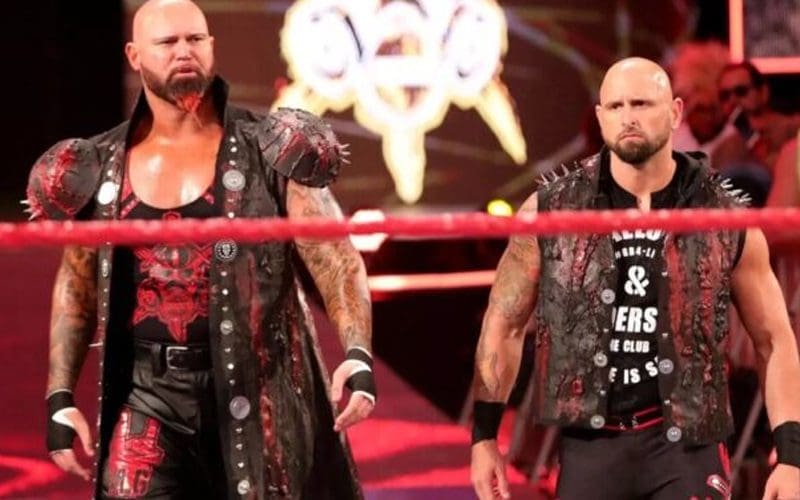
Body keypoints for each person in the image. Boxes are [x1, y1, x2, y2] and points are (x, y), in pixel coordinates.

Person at [25, 0, 376, 498]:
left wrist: (358, 354)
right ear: (134, 55)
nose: (183, 51)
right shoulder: (99, 165)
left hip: (259, 387)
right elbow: (77, 285)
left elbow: (336, 261)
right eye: (167, 42)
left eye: (194, 39)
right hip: (147, 397)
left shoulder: (271, 148)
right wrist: (60, 396)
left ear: (211, 46)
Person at [469, 57, 800, 499]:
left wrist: (792, 456)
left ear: (675, 112)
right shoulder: (550, 212)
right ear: (601, 116)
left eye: (641, 103)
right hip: (592, 444)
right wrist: (484, 437)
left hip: (687, 444)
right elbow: (504, 323)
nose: (628, 117)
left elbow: (774, 340)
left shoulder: (723, 218)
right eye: (616, 105)